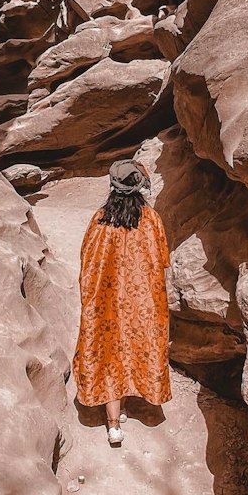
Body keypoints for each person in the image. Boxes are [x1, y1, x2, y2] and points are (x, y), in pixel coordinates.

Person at [72, 159, 172, 446]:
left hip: (106, 302)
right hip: (142, 302)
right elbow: (162, 260)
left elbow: (87, 263)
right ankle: (123, 407)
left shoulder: (100, 219)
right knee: (132, 347)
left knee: (108, 351)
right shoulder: (151, 219)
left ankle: (113, 422)